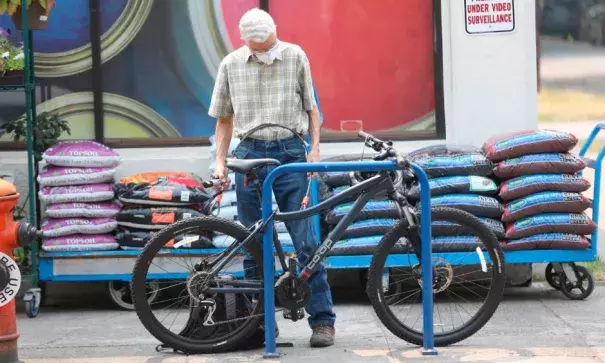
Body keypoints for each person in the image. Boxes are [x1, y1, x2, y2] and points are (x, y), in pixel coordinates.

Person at [208, 8, 336, 348]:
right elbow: (223, 119)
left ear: (275, 34)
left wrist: (315, 150)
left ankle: (322, 321)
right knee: (253, 246)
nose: (263, 52)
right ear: (244, 40)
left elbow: (312, 109)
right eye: (256, 47)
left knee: (306, 240)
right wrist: (220, 162)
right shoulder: (231, 64)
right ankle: (260, 325)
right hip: (249, 153)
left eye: (267, 45)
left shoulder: (295, 56)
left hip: (291, 152)